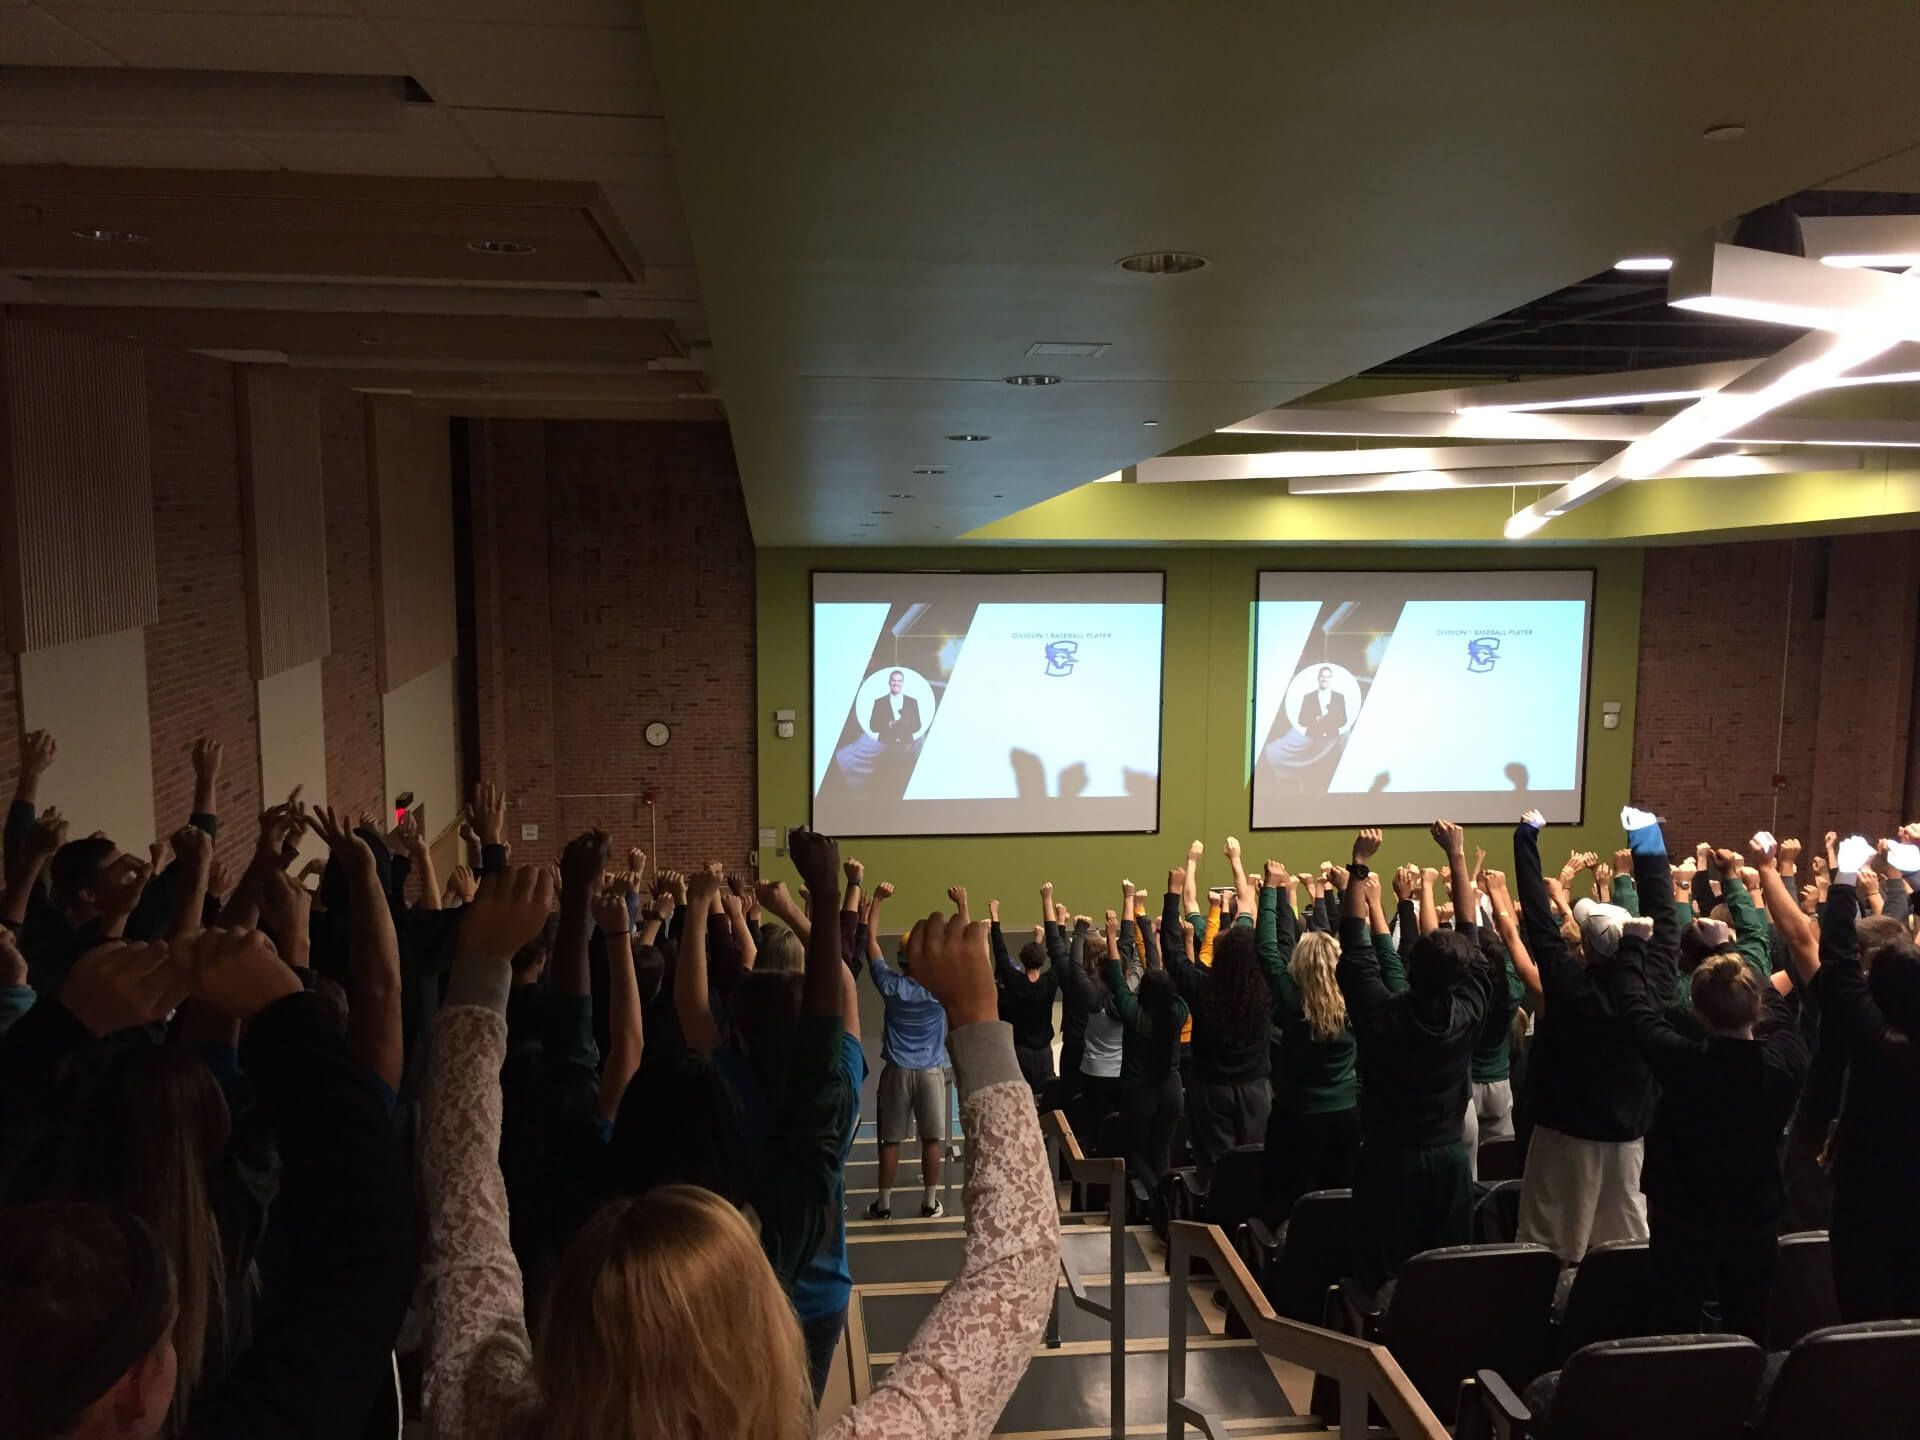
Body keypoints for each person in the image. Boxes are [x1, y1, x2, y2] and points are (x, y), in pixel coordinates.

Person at [419, 843, 1060, 1440]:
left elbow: (463, 1188)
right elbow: (1015, 1276)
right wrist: (976, 1018)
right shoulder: (792, 1195)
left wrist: (479, 969)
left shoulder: (487, 1411)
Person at [1587, 827, 1810, 1342]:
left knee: (1674, 1318)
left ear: (1697, 1011)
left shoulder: (1682, 1059)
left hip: (1682, 1217)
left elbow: (1637, 1009)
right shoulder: (1787, 1059)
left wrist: (1634, 949)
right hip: (1753, 1218)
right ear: (1754, 1001)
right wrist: (1731, 949)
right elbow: (1769, 1008)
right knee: (1747, 1321)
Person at [1336, 823, 1492, 1294]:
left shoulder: (1381, 1013)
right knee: (1444, 1274)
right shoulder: (1469, 1011)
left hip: (1390, 1158)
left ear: (1412, 969)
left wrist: (1359, 866)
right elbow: (1471, 932)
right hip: (1447, 1159)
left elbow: (1354, 941)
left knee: (1379, 1272)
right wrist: (1457, 855)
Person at [1512, 806, 1659, 1263]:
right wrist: (1647, 837)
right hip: (1628, 1145)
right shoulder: (1651, 992)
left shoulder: (1569, 987)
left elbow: (1537, 919)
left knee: (1551, 1250)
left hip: (1564, 1139)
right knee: (1625, 1253)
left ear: (1590, 950)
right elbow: (1664, 917)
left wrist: (1526, 837)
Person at [1818, 833, 1920, 1321]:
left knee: (1862, 1316)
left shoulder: (1874, 1038)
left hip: (1865, 1197)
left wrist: (1844, 877)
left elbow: (1837, 960)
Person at [1162, 852, 1271, 1187]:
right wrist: (1270, 894)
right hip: (1255, 1089)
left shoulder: (1202, 987)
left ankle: (1219, 1227)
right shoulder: (1268, 988)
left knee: (1217, 1170)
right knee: (1257, 1162)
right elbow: (1277, 942)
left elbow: (1172, 952)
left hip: (1211, 1090)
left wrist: (1172, 896)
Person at [863, 895, 951, 1219]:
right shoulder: (939, 989)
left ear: (900, 959)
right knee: (932, 1139)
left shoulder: (890, 986)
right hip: (930, 1070)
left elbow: (870, 942)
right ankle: (929, 1203)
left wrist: (878, 903)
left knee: (890, 1139)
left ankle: (883, 1205)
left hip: (897, 1071)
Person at [1101, 884, 1187, 1189]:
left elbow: (1116, 978)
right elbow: (1160, 968)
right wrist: (1151, 933)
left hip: (1140, 1093)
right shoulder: (1178, 1012)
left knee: (1135, 1153)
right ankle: (1167, 1200)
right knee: (1162, 1150)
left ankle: (1157, 1197)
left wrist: (1111, 938)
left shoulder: (1134, 1015)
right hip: (1172, 1090)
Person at [991, 897, 1058, 1095]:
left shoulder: (1015, 983)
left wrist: (995, 918)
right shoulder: (1049, 983)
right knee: (1045, 1098)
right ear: (1042, 961)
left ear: (1022, 960)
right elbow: (1059, 957)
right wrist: (1049, 933)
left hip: (1020, 1052)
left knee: (1021, 1097)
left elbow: (1001, 954)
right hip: (1045, 1053)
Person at [868, 670, 922, 745]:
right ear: (889, 682)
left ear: (903, 683)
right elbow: (873, 726)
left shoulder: (912, 702)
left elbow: (918, 725)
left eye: (899, 681)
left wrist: (905, 725)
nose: (896, 683)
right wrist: (889, 724)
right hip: (884, 745)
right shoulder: (879, 702)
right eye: (893, 680)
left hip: (907, 746)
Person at [1297, 666, 1347, 741]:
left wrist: (1330, 720)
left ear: (1331, 679)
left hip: (1332, 739)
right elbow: (1301, 720)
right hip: (1312, 738)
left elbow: (1343, 720)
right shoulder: (1308, 697)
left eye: (1328, 677)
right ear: (1318, 678)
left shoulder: (1339, 697)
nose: (1325, 679)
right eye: (1322, 676)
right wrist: (1316, 719)